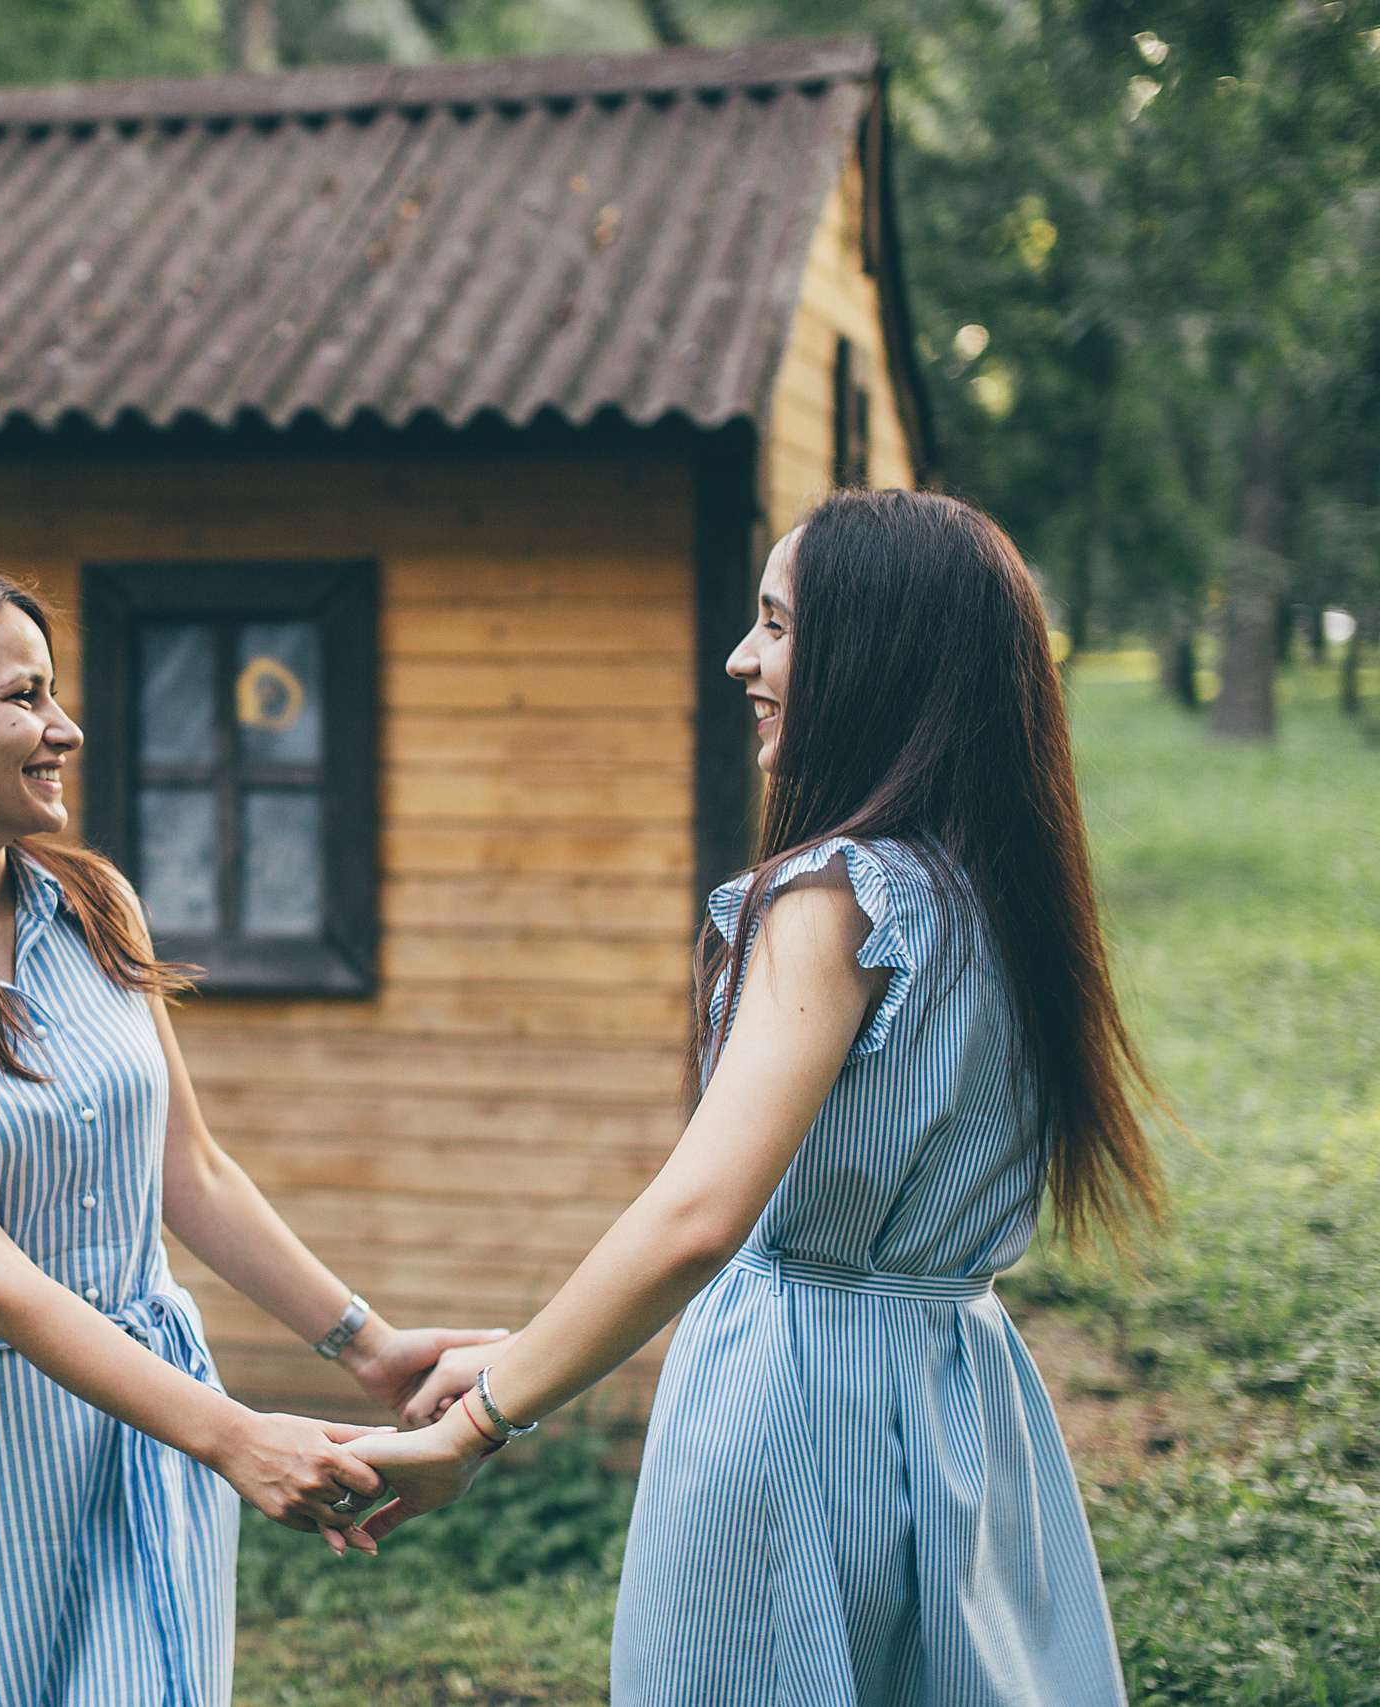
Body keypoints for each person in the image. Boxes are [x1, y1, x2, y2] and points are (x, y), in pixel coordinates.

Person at [355, 489, 1164, 1705]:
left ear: (875, 654)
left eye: (778, 625)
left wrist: (473, 1433)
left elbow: (700, 1220)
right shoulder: (999, 904)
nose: (743, 658)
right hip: (961, 1406)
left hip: (784, 1418)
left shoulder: (833, 898)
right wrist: (524, 1351)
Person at [0, 556, 501, 1707]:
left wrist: (365, 1345)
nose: (66, 729)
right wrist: (233, 1436)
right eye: (24, 697)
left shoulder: (93, 907)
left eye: (54, 694)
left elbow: (185, 1170)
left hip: (148, 1419)